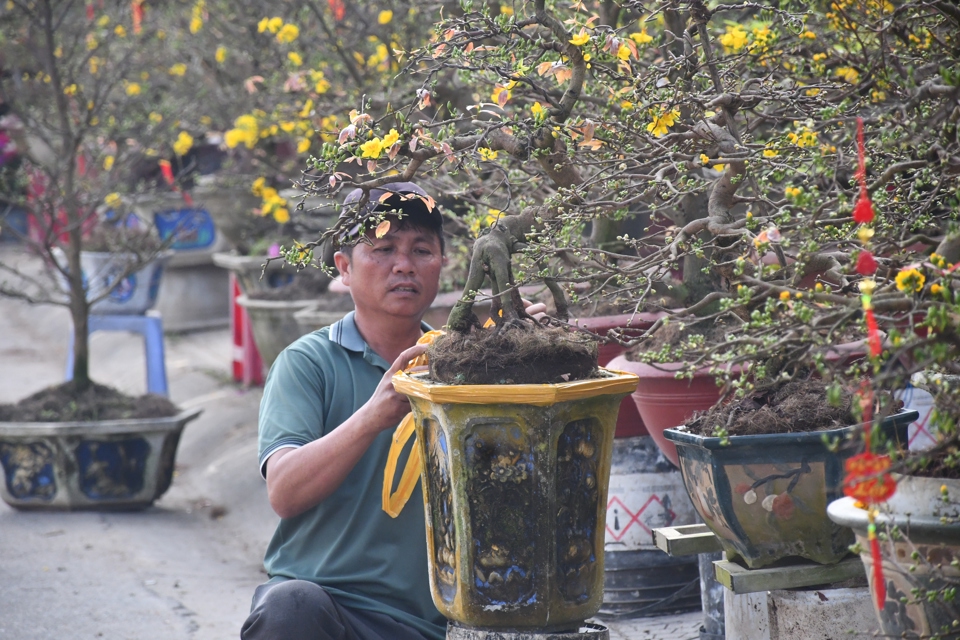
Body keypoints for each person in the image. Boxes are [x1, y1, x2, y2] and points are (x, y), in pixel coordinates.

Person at [241, 182, 449, 640]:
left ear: (442, 266)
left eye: (421, 250)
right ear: (344, 269)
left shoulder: (458, 367)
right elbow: (284, 491)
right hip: (332, 613)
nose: (403, 265)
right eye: (383, 248)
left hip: (436, 623)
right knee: (288, 605)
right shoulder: (307, 363)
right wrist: (373, 416)